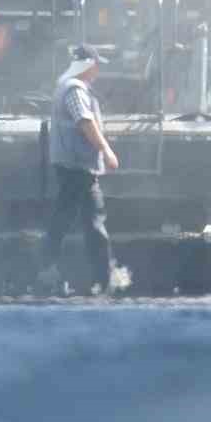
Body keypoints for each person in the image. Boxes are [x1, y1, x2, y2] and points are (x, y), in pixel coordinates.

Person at [39, 44, 126, 295]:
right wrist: (107, 150)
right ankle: (103, 280)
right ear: (87, 66)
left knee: (69, 220)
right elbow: (85, 122)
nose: (98, 70)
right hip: (77, 166)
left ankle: (51, 270)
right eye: (96, 65)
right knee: (90, 221)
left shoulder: (67, 87)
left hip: (74, 166)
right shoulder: (74, 89)